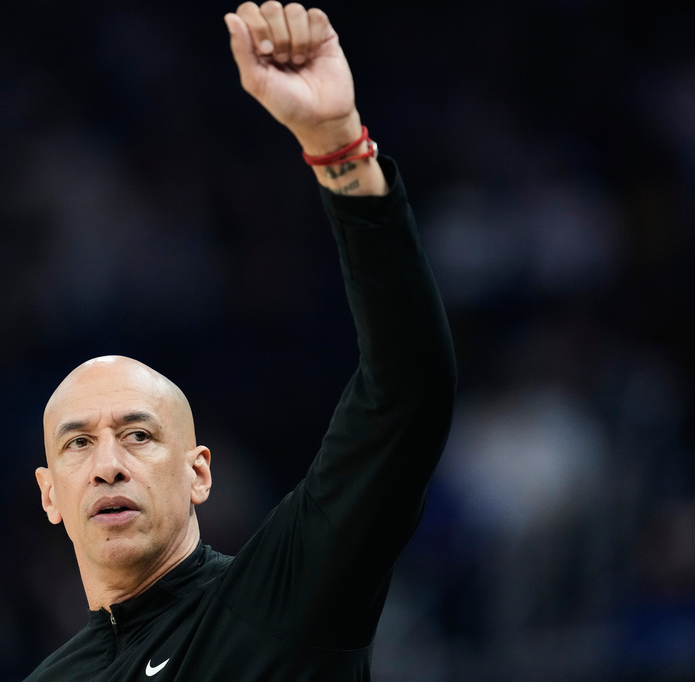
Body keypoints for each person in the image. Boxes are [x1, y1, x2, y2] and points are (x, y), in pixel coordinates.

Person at [25, 2, 456, 680]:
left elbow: (407, 392)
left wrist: (339, 145)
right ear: (50, 494)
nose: (108, 465)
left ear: (198, 472)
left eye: (138, 435)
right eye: (78, 442)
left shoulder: (279, 600)